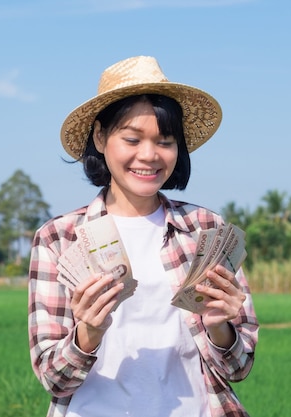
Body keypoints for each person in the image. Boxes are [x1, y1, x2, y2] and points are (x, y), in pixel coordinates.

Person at [28, 56, 258, 417]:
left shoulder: (205, 229)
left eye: (165, 141)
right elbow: (53, 379)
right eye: (132, 138)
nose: (149, 156)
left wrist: (221, 328)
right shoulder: (59, 238)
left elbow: (238, 368)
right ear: (101, 137)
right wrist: (88, 331)